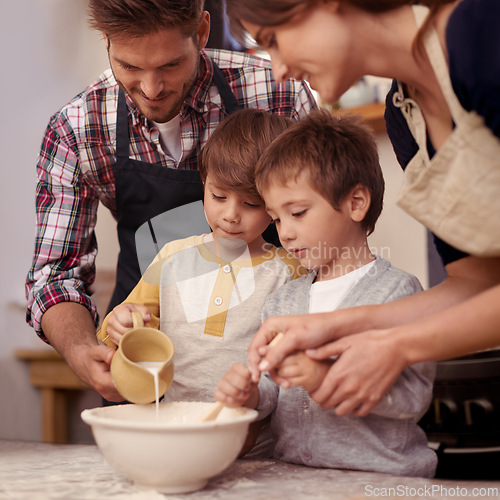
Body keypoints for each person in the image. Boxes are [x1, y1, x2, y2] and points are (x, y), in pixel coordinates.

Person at [25, 0, 316, 401]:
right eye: (128, 67)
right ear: (106, 41)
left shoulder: (277, 93)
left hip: (270, 381)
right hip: (146, 366)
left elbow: (329, 240)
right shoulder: (77, 127)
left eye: (169, 66)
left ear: (200, 33)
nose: (151, 88)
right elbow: (55, 276)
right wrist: (82, 351)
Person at [224, 0, 500, 417]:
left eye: (274, 40)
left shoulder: (480, 31)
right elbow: (474, 284)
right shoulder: (404, 117)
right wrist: (332, 326)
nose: (278, 68)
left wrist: (399, 344)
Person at [215, 109, 437, 477]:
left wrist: (323, 379)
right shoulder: (283, 302)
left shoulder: (397, 293)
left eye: (298, 213)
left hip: (379, 481)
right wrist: (250, 396)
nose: (284, 232)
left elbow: (412, 399)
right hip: (294, 478)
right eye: (276, 218)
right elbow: (271, 386)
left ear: (355, 203)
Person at [97, 108, 304, 405]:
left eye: (250, 203)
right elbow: (126, 325)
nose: (231, 215)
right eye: (219, 196)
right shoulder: (172, 258)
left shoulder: (290, 271)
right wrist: (118, 323)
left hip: (256, 438)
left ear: (275, 205)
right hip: (176, 426)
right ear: (204, 183)